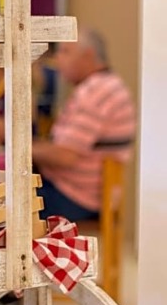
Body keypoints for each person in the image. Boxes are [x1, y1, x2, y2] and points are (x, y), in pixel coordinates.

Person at [32, 28, 135, 221]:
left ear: (88, 56)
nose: (57, 58)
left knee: (0, 205)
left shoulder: (95, 92)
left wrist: (20, 150)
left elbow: (65, 156)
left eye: (65, 52)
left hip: (76, 196)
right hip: (86, 192)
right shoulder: (108, 85)